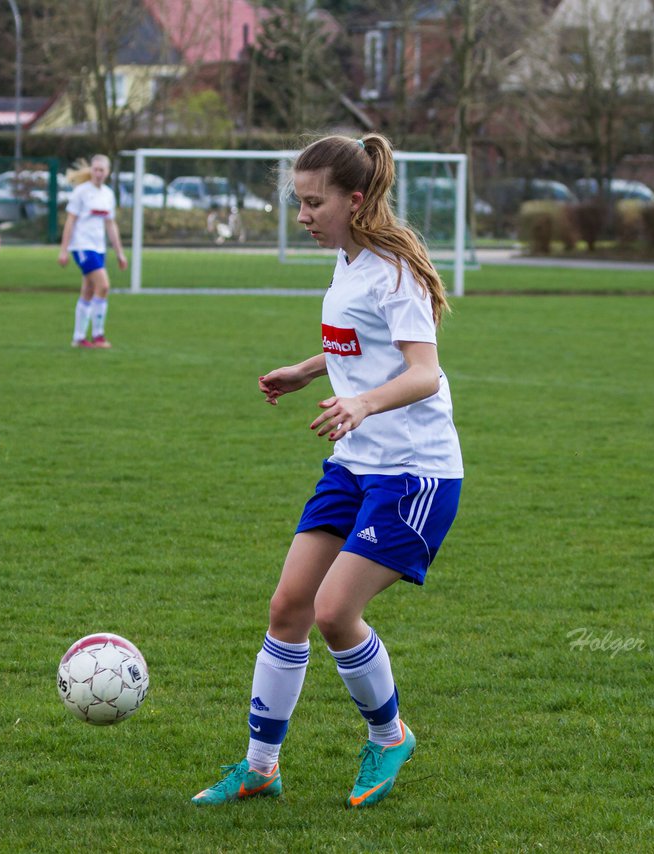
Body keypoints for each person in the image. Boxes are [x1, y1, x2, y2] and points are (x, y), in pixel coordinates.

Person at [191, 133, 463, 809]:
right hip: (354, 465)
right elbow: (358, 342)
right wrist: (307, 368)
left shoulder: (393, 270)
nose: (303, 215)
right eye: (298, 202)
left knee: (336, 612)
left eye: (314, 203)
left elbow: (423, 371)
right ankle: (260, 766)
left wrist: (362, 402)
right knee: (289, 606)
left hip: (414, 474)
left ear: (356, 199)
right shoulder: (347, 259)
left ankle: (389, 734)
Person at [58, 155, 127, 349]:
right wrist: (63, 250)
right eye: (95, 169)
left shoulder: (108, 194)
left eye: (102, 170)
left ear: (108, 172)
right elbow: (70, 221)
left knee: (88, 291)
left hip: (98, 248)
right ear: (91, 170)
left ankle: (78, 338)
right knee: (103, 286)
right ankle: (98, 336)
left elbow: (110, 225)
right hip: (82, 247)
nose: (98, 173)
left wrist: (120, 253)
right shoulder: (81, 192)